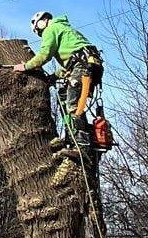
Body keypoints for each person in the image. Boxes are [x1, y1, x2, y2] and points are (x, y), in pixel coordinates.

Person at [13, 11, 104, 155]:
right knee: (70, 101)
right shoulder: (66, 29)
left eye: (39, 31)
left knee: (73, 106)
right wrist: (52, 78)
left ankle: (81, 148)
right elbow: (69, 66)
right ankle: (80, 139)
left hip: (82, 67)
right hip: (90, 67)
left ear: (43, 22)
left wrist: (26, 66)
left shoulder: (51, 29)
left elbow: (45, 54)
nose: (41, 34)